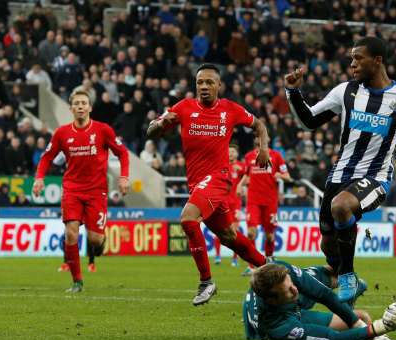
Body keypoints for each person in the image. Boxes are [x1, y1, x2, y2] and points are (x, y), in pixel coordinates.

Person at [285, 36, 396, 302]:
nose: (352, 64)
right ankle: (347, 280)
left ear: (377, 61)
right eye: (351, 58)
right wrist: (294, 93)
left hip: (375, 177)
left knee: (341, 206)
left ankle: (348, 278)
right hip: (340, 174)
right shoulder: (345, 92)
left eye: (358, 58)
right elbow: (309, 121)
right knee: (327, 242)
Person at [146, 63, 270, 306]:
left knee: (188, 219)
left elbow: (259, 125)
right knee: (228, 236)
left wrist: (263, 148)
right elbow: (150, 132)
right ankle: (272, 268)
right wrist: (160, 124)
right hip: (198, 184)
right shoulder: (183, 108)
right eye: (200, 83)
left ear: (219, 86)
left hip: (219, 177)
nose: (204, 87)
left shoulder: (230, 110)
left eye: (209, 82)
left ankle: (206, 281)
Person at [33, 89, 130, 293]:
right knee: (71, 233)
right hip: (72, 190)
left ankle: (100, 242)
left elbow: (122, 153)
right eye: (76, 103)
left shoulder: (103, 130)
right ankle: (77, 281)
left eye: (83, 103)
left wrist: (123, 177)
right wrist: (39, 178)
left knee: (94, 239)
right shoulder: (62, 133)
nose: (80, 106)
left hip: (97, 191)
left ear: (90, 107)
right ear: (70, 108)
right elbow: (46, 157)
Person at [243, 261, 396, 340]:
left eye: (292, 284)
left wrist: (357, 325)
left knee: (322, 275)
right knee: (361, 320)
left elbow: (324, 295)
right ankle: (352, 294)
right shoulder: (281, 328)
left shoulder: (280, 272)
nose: (295, 289)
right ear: (271, 299)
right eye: (288, 290)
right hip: (287, 316)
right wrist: (382, 327)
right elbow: (334, 338)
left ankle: (348, 284)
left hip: (288, 307)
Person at [237, 136, 292, 275]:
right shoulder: (249, 156)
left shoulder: (276, 156)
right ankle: (252, 266)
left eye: (264, 135)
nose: (261, 137)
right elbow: (246, 174)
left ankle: (269, 260)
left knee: (269, 236)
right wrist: (239, 184)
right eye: (258, 135)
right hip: (253, 200)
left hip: (270, 201)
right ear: (255, 139)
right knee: (251, 233)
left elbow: (288, 176)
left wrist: (280, 175)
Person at [213, 144, 246, 266]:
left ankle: (235, 258)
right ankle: (217, 256)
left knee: (235, 231)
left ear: (237, 154)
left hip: (236, 203)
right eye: (229, 151)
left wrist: (242, 185)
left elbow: (249, 178)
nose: (231, 153)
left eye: (233, 151)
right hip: (222, 202)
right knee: (219, 230)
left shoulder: (241, 167)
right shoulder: (221, 165)